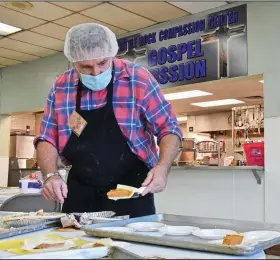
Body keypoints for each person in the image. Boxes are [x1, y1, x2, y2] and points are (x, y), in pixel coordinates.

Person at [34, 23, 182, 218]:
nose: (96, 72)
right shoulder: (62, 86)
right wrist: (50, 176)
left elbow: (169, 128)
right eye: (85, 67)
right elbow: (47, 138)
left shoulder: (137, 79)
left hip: (131, 190)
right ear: (73, 62)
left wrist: (162, 168)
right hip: (80, 191)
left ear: (112, 55)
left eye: (103, 63)